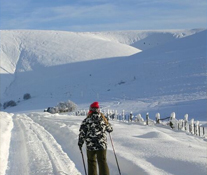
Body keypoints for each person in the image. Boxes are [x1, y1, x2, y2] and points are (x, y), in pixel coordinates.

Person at [78, 102, 113, 175]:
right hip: (102, 145)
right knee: (102, 161)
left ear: (91, 110)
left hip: (90, 145)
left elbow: (82, 133)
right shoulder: (103, 119)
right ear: (98, 110)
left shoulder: (86, 120)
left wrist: (80, 143)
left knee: (91, 162)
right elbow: (110, 129)